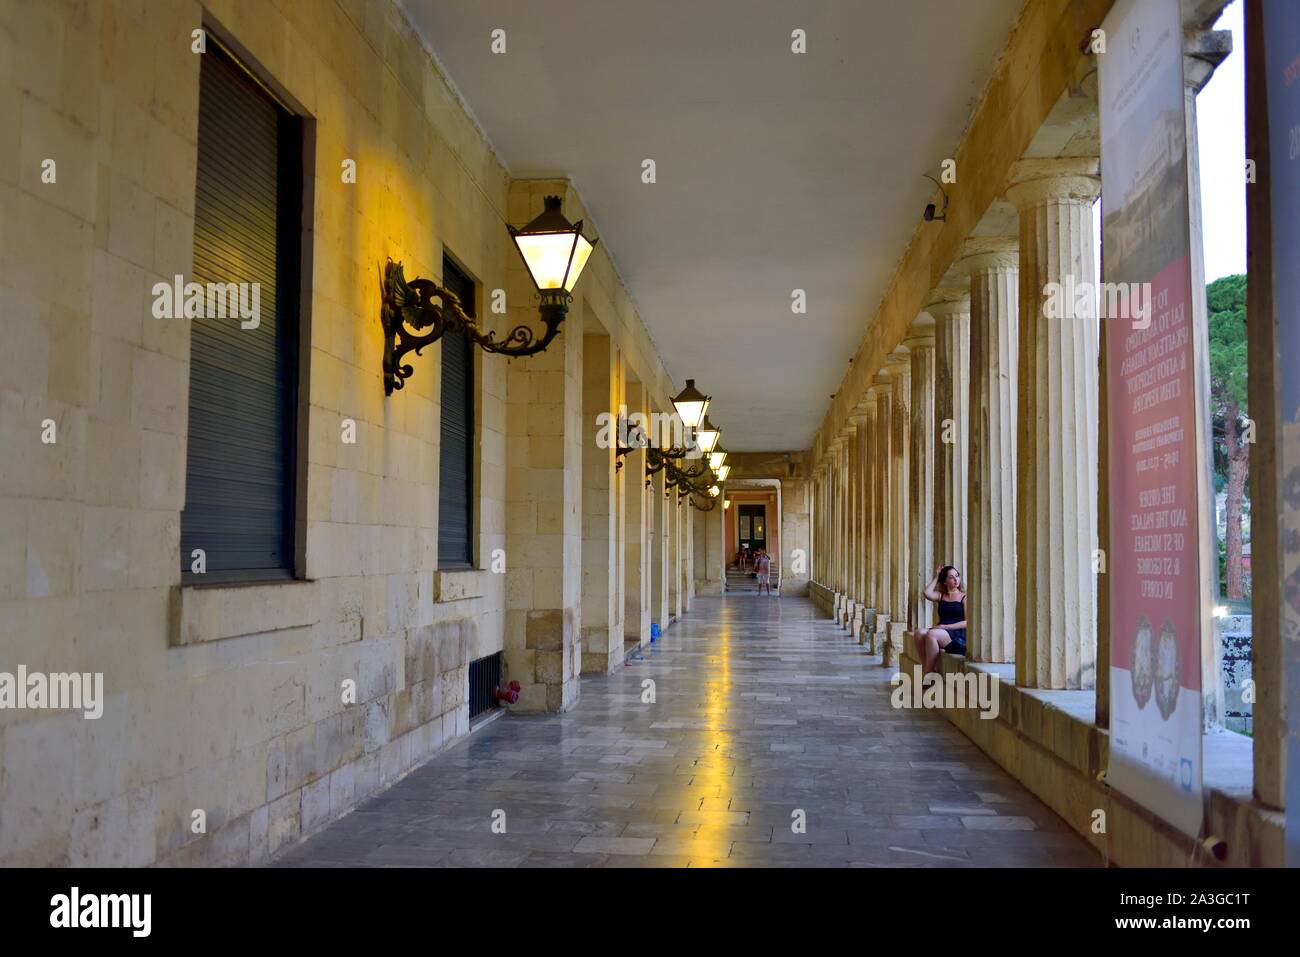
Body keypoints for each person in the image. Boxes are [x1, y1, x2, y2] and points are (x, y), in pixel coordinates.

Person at [916, 565, 966, 675]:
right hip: (941, 630)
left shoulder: (964, 597)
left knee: (932, 634)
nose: (955, 579)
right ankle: (927, 668)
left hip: (956, 633)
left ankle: (929, 673)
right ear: (944, 582)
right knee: (919, 633)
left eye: (957, 576)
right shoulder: (941, 596)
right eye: (951, 577)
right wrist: (937, 576)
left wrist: (945, 627)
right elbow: (926, 593)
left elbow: (967, 622)